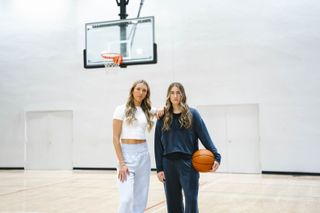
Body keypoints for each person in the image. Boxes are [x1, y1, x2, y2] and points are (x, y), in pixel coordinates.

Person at [154, 82, 221, 213]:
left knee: (191, 200)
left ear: (183, 95)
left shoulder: (193, 114)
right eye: (172, 93)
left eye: (178, 92)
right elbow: (157, 145)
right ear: (168, 96)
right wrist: (159, 168)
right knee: (173, 202)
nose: (175, 96)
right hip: (168, 164)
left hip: (188, 163)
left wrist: (216, 156)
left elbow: (205, 137)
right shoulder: (162, 117)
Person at [112, 80, 163, 213]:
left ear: (147, 94)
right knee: (126, 199)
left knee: (141, 199)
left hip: (143, 155)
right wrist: (122, 163)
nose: (141, 92)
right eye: (138, 89)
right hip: (126, 156)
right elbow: (115, 138)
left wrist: (162, 110)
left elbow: (161, 110)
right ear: (132, 90)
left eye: (144, 90)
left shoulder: (147, 110)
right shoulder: (120, 109)